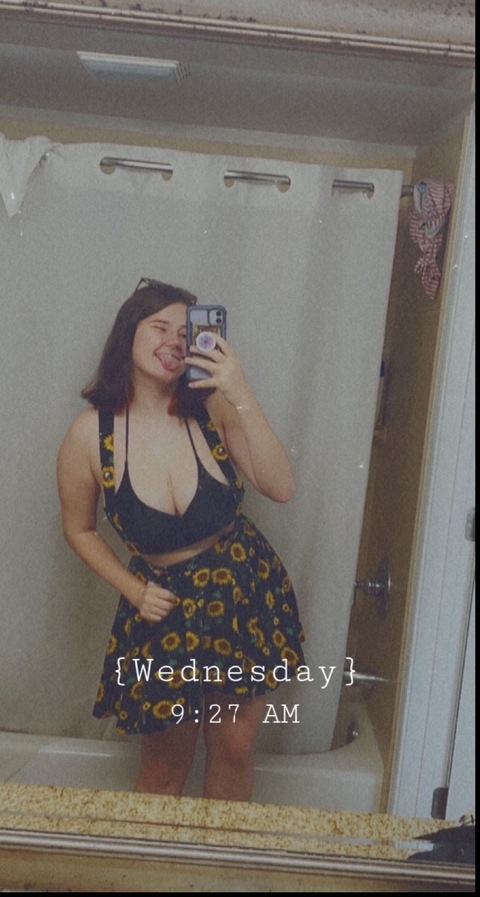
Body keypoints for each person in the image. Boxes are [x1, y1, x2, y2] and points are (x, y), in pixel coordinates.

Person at [57, 278, 305, 802]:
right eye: (159, 327)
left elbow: (281, 487)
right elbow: (78, 529)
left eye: (185, 331)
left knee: (234, 749)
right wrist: (133, 589)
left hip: (239, 595)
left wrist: (239, 391)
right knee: (165, 768)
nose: (174, 340)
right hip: (164, 609)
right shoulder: (90, 435)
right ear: (129, 332)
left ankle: (220, 856)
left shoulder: (212, 409)